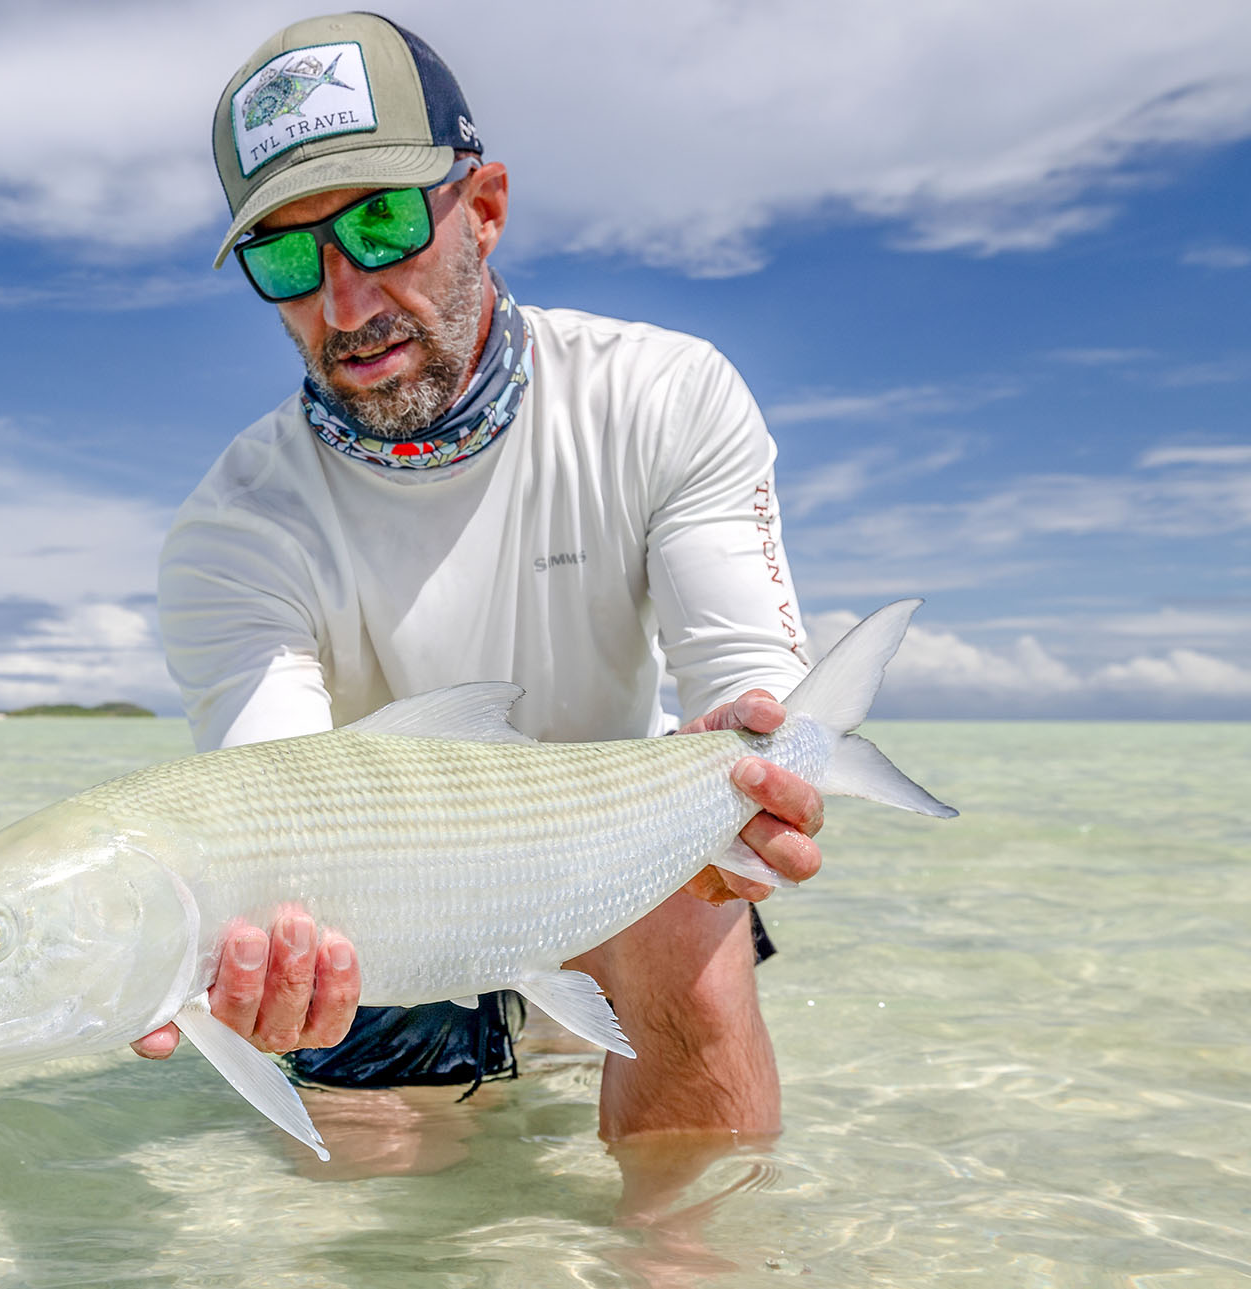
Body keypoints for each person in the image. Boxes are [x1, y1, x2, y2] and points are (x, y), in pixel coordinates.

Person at [129, 12, 824, 1149]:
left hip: (614, 874)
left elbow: (752, 681)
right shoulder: (234, 526)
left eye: (384, 222)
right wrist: (256, 950)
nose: (344, 304)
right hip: (377, 918)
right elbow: (267, 800)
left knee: (689, 909)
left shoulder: (663, 394)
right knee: (381, 1210)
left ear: (486, 208)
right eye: (289, 258)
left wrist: (776, 760)